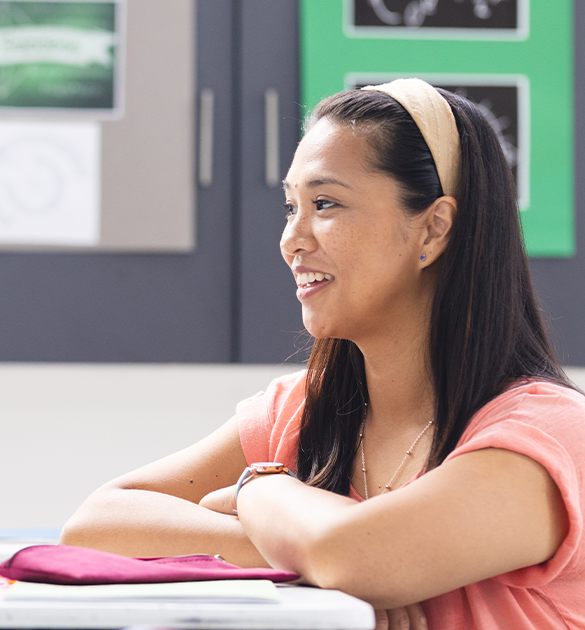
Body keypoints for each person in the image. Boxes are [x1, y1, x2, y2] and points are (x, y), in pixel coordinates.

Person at [60, 79, 584, 629]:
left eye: (325, 203)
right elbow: (96, 524)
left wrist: (259, 489)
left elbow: (354, 554)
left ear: (434, 227)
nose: (292, 239)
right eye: (291, 207)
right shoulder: (301, 410)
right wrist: (307, 556)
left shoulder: (550, 437)